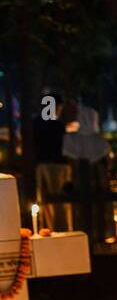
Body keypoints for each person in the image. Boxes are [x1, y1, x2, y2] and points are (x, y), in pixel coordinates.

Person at [33, 93, 73, 231]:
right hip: (57, 165)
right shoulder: (57, 125)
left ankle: (47, 228)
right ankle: (61, 230)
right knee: (59, 200)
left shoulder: (37, 122)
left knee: (44, 200)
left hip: (41, 165)